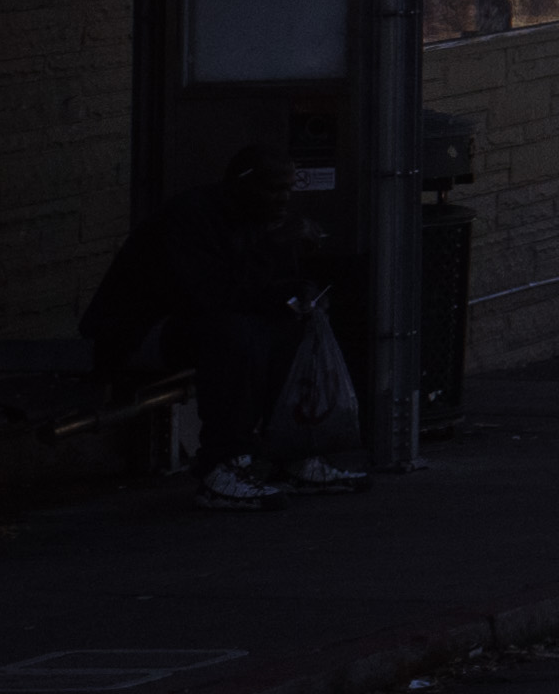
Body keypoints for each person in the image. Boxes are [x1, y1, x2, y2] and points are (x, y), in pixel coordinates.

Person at [79, 145, 360, 508]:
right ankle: (223, 465)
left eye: (289, 189)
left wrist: (303, 293)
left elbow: (265, 289)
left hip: (192, 324)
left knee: (294, 327)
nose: (283, 199)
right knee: (235, 335)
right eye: (274, 189)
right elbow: (211, 294)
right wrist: (273, 249)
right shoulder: (190, 218)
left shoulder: (260, 221)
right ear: (243, 186)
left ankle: (292, 453)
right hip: (136, 334)